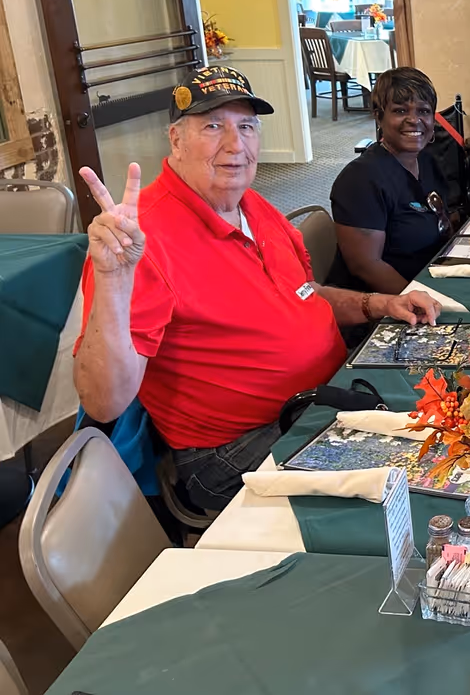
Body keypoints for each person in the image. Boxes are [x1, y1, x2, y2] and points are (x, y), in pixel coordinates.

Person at [73, 66, 441, 509]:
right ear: (175, 139)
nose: (235, 145)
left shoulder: (253, 203)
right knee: (420, 484)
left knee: (446, 412)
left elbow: (304, 295)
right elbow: (103, 402)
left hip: (319, 397)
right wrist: (113, 282)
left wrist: (380, 303)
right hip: (233, 450)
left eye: (246, 126)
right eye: (213, 127)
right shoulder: (142, 240)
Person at [326, 67, 452, 294]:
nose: (414, 120)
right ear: (379, 116)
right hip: (379, 305)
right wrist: (423, 302)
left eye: (423, 111)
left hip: (430, 281)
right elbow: (366, 267)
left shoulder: (428, 161)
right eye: (400, 110)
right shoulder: (360, 180)